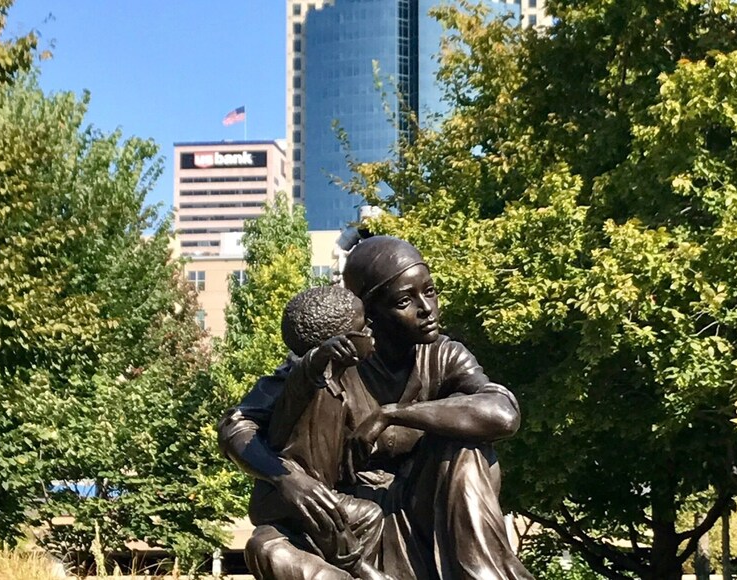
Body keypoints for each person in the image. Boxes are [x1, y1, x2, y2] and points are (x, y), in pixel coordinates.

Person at [219, 236, 533, 580]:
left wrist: (390, 413)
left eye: (429, 291)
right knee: (268, 548)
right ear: (369, 313)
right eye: (404, 300)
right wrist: (287, 479)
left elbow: (502, 414)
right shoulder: (329, 360)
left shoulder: (444, 355)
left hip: (424, 512)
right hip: (345, 521)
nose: (427, 308)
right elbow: (238, 425)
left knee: (465, 446)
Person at [255, 286, 389, 580]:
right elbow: (304, 376)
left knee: (369, 514)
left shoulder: (340, 387)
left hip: (319, 494)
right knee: (345, 513)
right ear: (343, 342)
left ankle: (355, 570)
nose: (370, 331)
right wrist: (320, 356)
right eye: (363, 327)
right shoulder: (306, 383)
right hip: (282, 496)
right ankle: (359, 568)